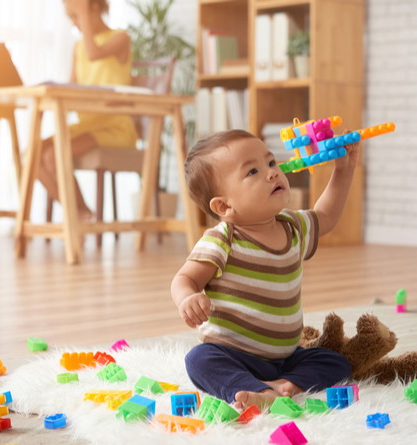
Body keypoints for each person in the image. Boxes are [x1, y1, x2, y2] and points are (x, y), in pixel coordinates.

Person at [170, 129, 359, 411]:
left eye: (271, 163)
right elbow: (185, 278)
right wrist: (187, 298)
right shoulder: (223, 238)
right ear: (224, 205)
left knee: (336, 362)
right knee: (199, 360)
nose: (272, 173)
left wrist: (343, 170)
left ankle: (283, 385)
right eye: (253, 171)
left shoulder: (293, 226)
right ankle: (252, 389)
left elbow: (327, 215)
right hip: (232, 354)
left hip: (285, 357)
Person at [38, 0, 138, 222]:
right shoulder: (78, 47)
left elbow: (94, 54)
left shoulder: (120, 37)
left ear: (94, 8)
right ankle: (80, 213)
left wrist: (82, 10)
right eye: (71, 17)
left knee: (53, 155)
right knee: (33, 153)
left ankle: (80, 216)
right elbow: (72, 88)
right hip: (86, 125)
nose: (75, 23)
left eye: (77, 15)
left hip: (114, 126)